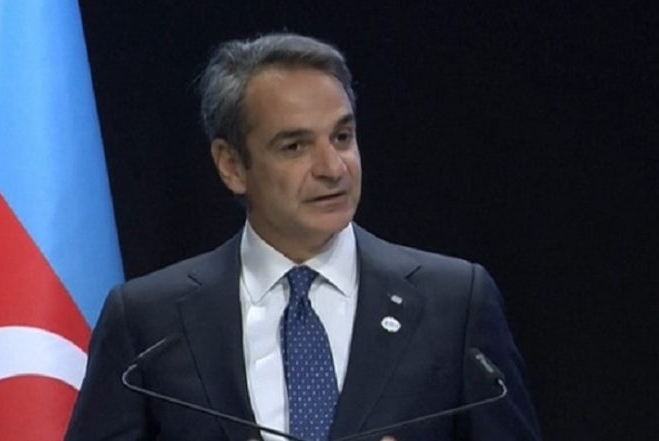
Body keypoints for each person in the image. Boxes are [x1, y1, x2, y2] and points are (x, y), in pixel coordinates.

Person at [65, 33, 541, 441]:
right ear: (231, 165)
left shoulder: (455, 303)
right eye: (295, 146)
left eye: (342, 137)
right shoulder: (148, 322)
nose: (333, 168)